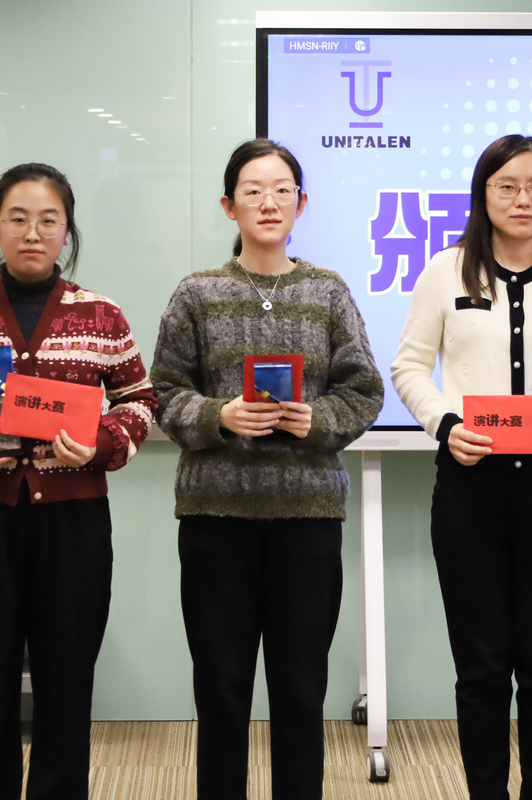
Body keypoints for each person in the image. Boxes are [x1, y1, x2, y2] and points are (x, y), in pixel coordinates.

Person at [0, 163, 156, 800]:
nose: (33, 232)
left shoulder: (101, 314)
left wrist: (99, 445)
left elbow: (139, 400)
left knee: (66, 681)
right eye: (17, 218)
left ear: (68, 231)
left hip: (73, 523)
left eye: (48, 220)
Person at [151, 139, 384, 800]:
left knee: (300, 690)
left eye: (282, 190)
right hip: (215, 520)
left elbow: (363, 389)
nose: (268, 202)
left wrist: (318, 420)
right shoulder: (196, 293)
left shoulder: (327, 291)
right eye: (252, 190)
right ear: (229, 206)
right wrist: (219, 415)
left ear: (301, 203)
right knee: (220, 688)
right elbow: (162, 392)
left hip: (307, 520)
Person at [392, 134, 532, 800]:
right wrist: (445, 425)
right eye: (508, 186)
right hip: (471, 486)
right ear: (483, 193)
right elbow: (410, 366)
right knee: (482, 667)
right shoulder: (446, 271)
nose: (524, 199)